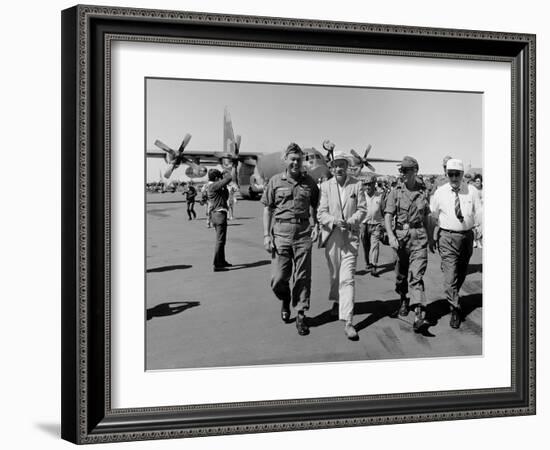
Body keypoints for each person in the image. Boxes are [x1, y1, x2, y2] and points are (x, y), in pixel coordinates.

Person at [261, 143, 320, 336]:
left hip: (303, 233)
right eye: (292, 159)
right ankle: (285, 299)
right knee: (278, 279)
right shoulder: (275, 181)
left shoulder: (310, 183)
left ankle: (301, 314)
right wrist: (266, 235)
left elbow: (315, 207)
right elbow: (267, 209)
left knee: (303, 276)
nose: (295, 162)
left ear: (302, 160)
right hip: (281, 234)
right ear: (285, 160)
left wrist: (316, 225)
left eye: (299, 159)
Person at [318, 152, 366, 340]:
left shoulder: (357, 184)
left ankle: (348, 321)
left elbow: (362, 209)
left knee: (348, 279)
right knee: (336, 276)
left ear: (347, 166)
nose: (339, 168)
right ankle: (337, 302)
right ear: (332, 167)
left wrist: (352, 221)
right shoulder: (325, 186)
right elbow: (321, 213)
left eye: (342, 165)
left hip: (351, 238)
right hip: (332, 237)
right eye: (336, 165)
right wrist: (334, 221)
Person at [430, 159, 483, 328]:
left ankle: (454, 295)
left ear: (462, 175)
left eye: (457, 174)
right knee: (450, 275)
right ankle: (455, 308)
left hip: (466, 237)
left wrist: (480, 229)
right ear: (447, 174)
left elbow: (479, 211)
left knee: (461, 272)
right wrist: (433, 235)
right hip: (447, 237)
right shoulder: (440, 192)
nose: (453, 177)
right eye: (450, 174)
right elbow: (433, 214)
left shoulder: (472, 191)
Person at [384, 156, 433, 332]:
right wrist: (390, 235)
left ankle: (419, 314)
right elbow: (388, 215)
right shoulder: (395, 191)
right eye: (401, 170)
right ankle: (403, 298)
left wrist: (431, 238)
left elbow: (427, 216)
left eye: (406, 170)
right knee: (401, 275)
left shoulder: (424, 192)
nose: (402, 174)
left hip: (419, 237)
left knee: (416, 276)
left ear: (415, 171)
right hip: (400, 237)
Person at [207, 164, 237, 272]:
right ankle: (217, 264)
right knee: (220, 241)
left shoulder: (214, 186)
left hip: (218, 215)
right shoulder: (213, 185)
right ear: (216, 178)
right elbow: (229, 178)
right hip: (219, 215)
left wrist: (224, 186)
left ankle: (222, 261)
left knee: (222, 240)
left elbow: (225, 196)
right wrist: (225, 172)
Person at [360, 173, 385, 276]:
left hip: (376, 225)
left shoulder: (379, 196)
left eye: (370, 184)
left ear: (374, 184)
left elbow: (383, 210)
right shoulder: (361, 196)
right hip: (364, 224)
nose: (368, 187)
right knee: (366, 245)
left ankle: (374, 265)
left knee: (374, 245)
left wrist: (384, 224)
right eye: (366, 184)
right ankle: (368, 262)